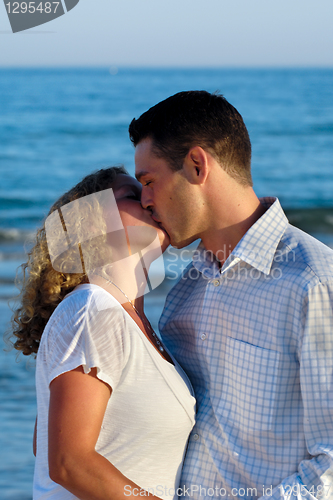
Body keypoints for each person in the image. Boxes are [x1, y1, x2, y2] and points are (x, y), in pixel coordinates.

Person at [129, 91, 333, 500]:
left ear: (197, 165)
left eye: (149, 182)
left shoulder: (312, 282)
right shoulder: (185, 288)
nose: (144, 202)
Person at [10, 166, 195, 500]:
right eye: (133, 195)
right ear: (93, 222)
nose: (150, 201)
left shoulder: (126, 321)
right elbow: (68, 463)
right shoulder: (93, 310)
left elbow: (46, 442)